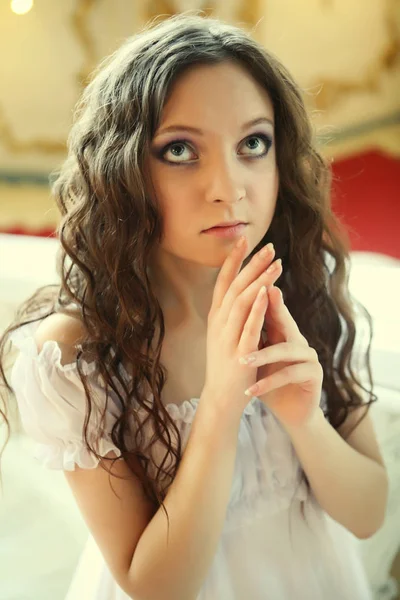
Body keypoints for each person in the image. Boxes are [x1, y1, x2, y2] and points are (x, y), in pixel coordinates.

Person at [0, 12, 388, 600]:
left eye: (252, 143)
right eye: (180, 150)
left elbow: (367, 515)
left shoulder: (302, 283)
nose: (229, 186)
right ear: (123, 168)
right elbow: (157, 588)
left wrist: (305, 419)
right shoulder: (76, 355)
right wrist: (222, 405)